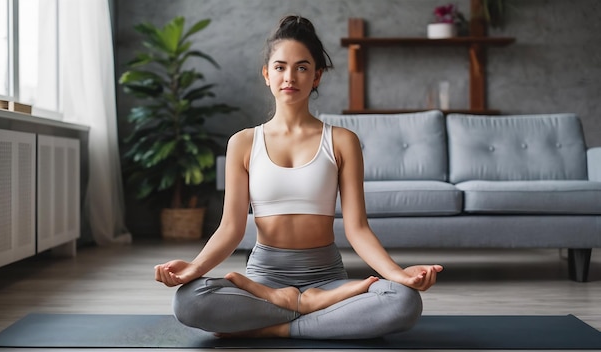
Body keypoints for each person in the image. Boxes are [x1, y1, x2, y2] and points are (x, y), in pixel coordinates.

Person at [154, 15, 443, 340]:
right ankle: (312, 311)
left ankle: (277, 325)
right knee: (189, 302)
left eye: (302, 67)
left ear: (317, 75)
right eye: (280, 67)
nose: (289, 76)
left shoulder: (342, 141)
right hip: (263, 279)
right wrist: (194, 269)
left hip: (327, 278)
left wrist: (397, 275)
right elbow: (231, 228)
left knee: (402, 301)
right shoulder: (244, 143)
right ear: (266, 74)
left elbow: (357, 228)